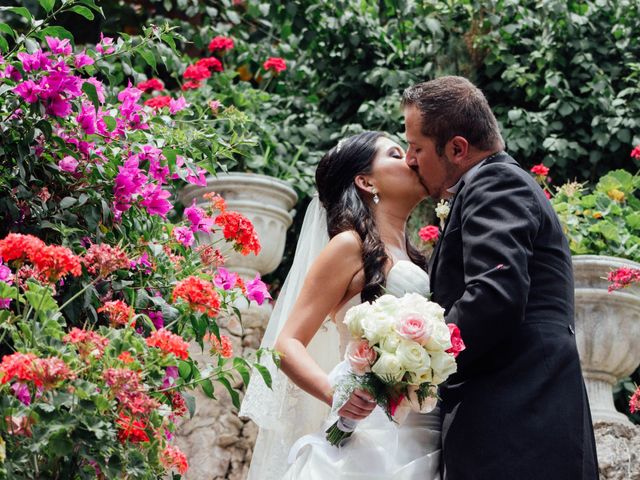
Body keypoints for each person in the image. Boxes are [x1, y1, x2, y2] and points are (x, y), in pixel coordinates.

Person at [402, 76, 599, 479]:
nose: (409, 159)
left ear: (457, 148)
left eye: (417, 147)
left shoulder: (496, 183)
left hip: (520, 414)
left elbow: (494, 295)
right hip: (522, 410)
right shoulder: (491, 183)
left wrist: (418, 367)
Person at [240, 131, 442, 480]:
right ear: (366, 181)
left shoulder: (418, 257)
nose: (410, 159)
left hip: (428, 428)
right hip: (371, 435)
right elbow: (286, 344)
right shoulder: (348, 246)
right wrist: (339, 394)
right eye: (395, 154)